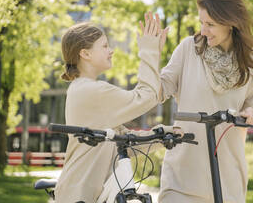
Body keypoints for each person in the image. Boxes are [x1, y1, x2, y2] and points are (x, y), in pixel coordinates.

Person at [157, 0, 253, 203]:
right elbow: (157, 92)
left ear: (231, 23)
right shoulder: (189, 49)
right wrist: (151, 54)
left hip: (227, 179)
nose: (203, 30)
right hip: (182, 176)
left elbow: (248, 111)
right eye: (201, 23)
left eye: (210, 24)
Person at [54, 13, 181, 203]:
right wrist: (149, 51)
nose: (111, 50)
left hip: (84, 191)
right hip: (82, 194)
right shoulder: (91, 91)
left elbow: (122, 141)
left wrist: (164, 135)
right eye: (104, 46)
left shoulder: (82, 88)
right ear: (85, 53)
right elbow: (147, 97)